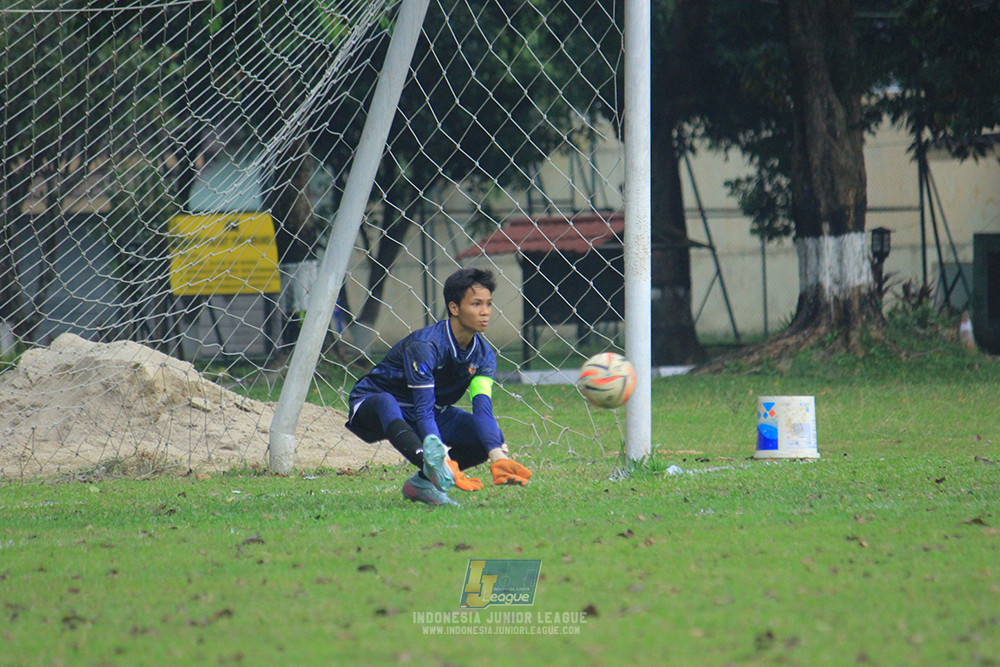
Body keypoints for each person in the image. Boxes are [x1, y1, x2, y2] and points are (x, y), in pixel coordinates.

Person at [345, 268, 532, 506]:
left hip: (429, 411)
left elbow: (482, 410)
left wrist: (497, 456)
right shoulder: (426, 345)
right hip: (374, 404)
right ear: (454, 308)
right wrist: (439, 457)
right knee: (386, 401)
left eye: (488, 304)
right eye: (476, 304)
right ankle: (433, 467)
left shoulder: (484, 356)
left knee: (485, 437)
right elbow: (422, 408)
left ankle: (422, 484)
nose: (485, 312)